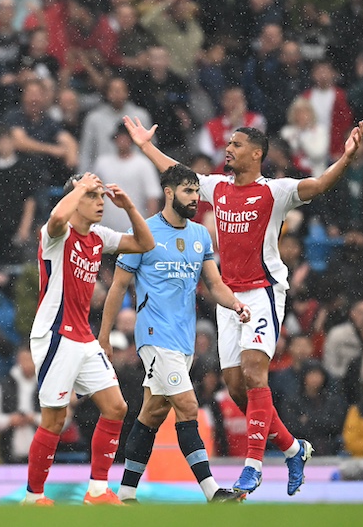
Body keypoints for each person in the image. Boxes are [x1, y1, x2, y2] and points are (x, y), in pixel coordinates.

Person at [123, 115, 363, 496]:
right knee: (239, 390)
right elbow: (177, 172)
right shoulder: (217, 187)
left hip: (263, 292)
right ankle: (293, 448)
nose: (228, 150)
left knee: (255, 372)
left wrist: (347, 159)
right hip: (228, 297)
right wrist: (144, 146)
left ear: (256, 153)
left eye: (235, 145)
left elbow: (317, 185)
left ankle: (252, 469)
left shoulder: (276, 191)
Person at [98, 164, 248, 504]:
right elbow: (118, 286)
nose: (195, 198)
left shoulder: (200, 236)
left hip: (184, 340)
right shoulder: (144, 234)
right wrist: (104, 336)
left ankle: (125, 493)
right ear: (169, 193)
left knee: (151, 413)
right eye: (188, 191)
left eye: (197, 192)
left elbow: (215, 284)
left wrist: (236, 304)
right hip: (154, 334)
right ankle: (212, 492)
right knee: (187, 404)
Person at [25, 172, 154, 506]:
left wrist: (128, 208)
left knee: (116, 408)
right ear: (76, 199)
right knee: (54, 419)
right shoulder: (56, 234)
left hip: (83, 337)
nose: (100, 202)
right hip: (54, 335)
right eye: (92, 196)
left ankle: (97, 491)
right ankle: (33, 496)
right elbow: (56, 217)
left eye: (100, 196)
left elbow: (145, 243)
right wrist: (79, 185)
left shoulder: (99, 236)